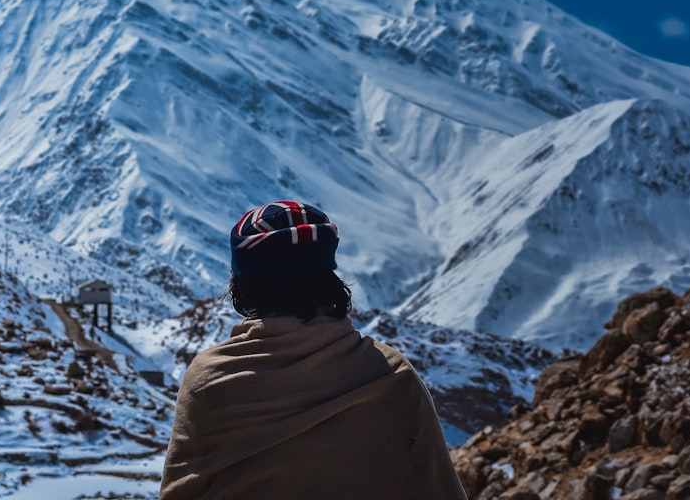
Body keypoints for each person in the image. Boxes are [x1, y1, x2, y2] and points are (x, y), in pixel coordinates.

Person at [159, 200, 467, 499]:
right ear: (329, 278)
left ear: (242, 287)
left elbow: (181, 491)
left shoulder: (209, 379)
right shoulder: (390, 373)